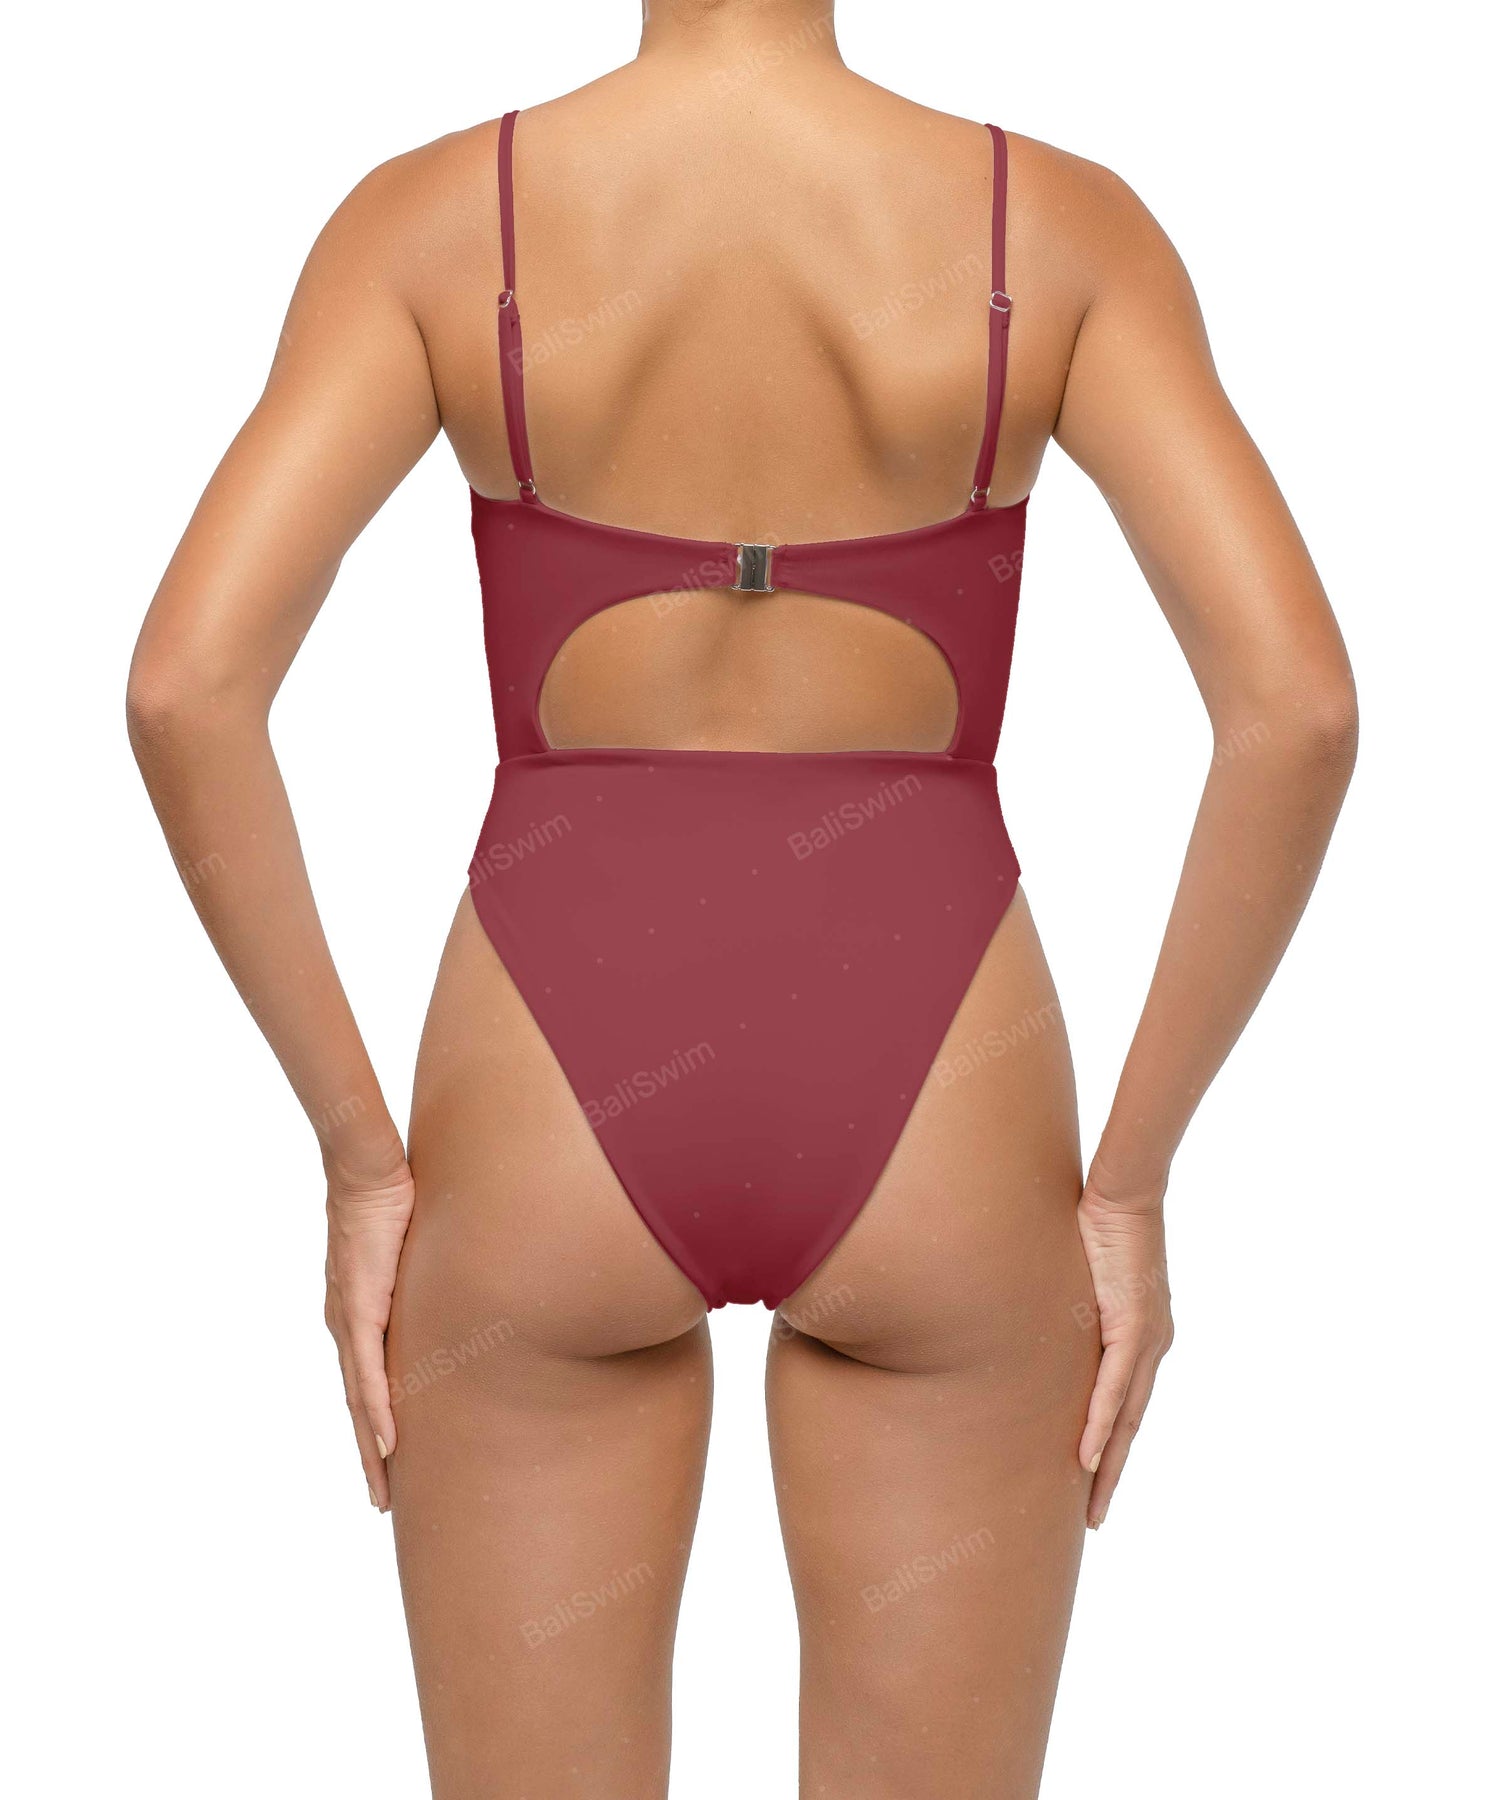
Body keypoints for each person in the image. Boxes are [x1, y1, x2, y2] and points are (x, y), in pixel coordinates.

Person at [126, 3, 1358, 1793]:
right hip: (942, 1079)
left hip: (546, 1071)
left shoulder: (433, 221)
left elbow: (186, 689)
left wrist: (360, 1161)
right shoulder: (1059, 226)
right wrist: (1132, 1182)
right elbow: (1297, 711)